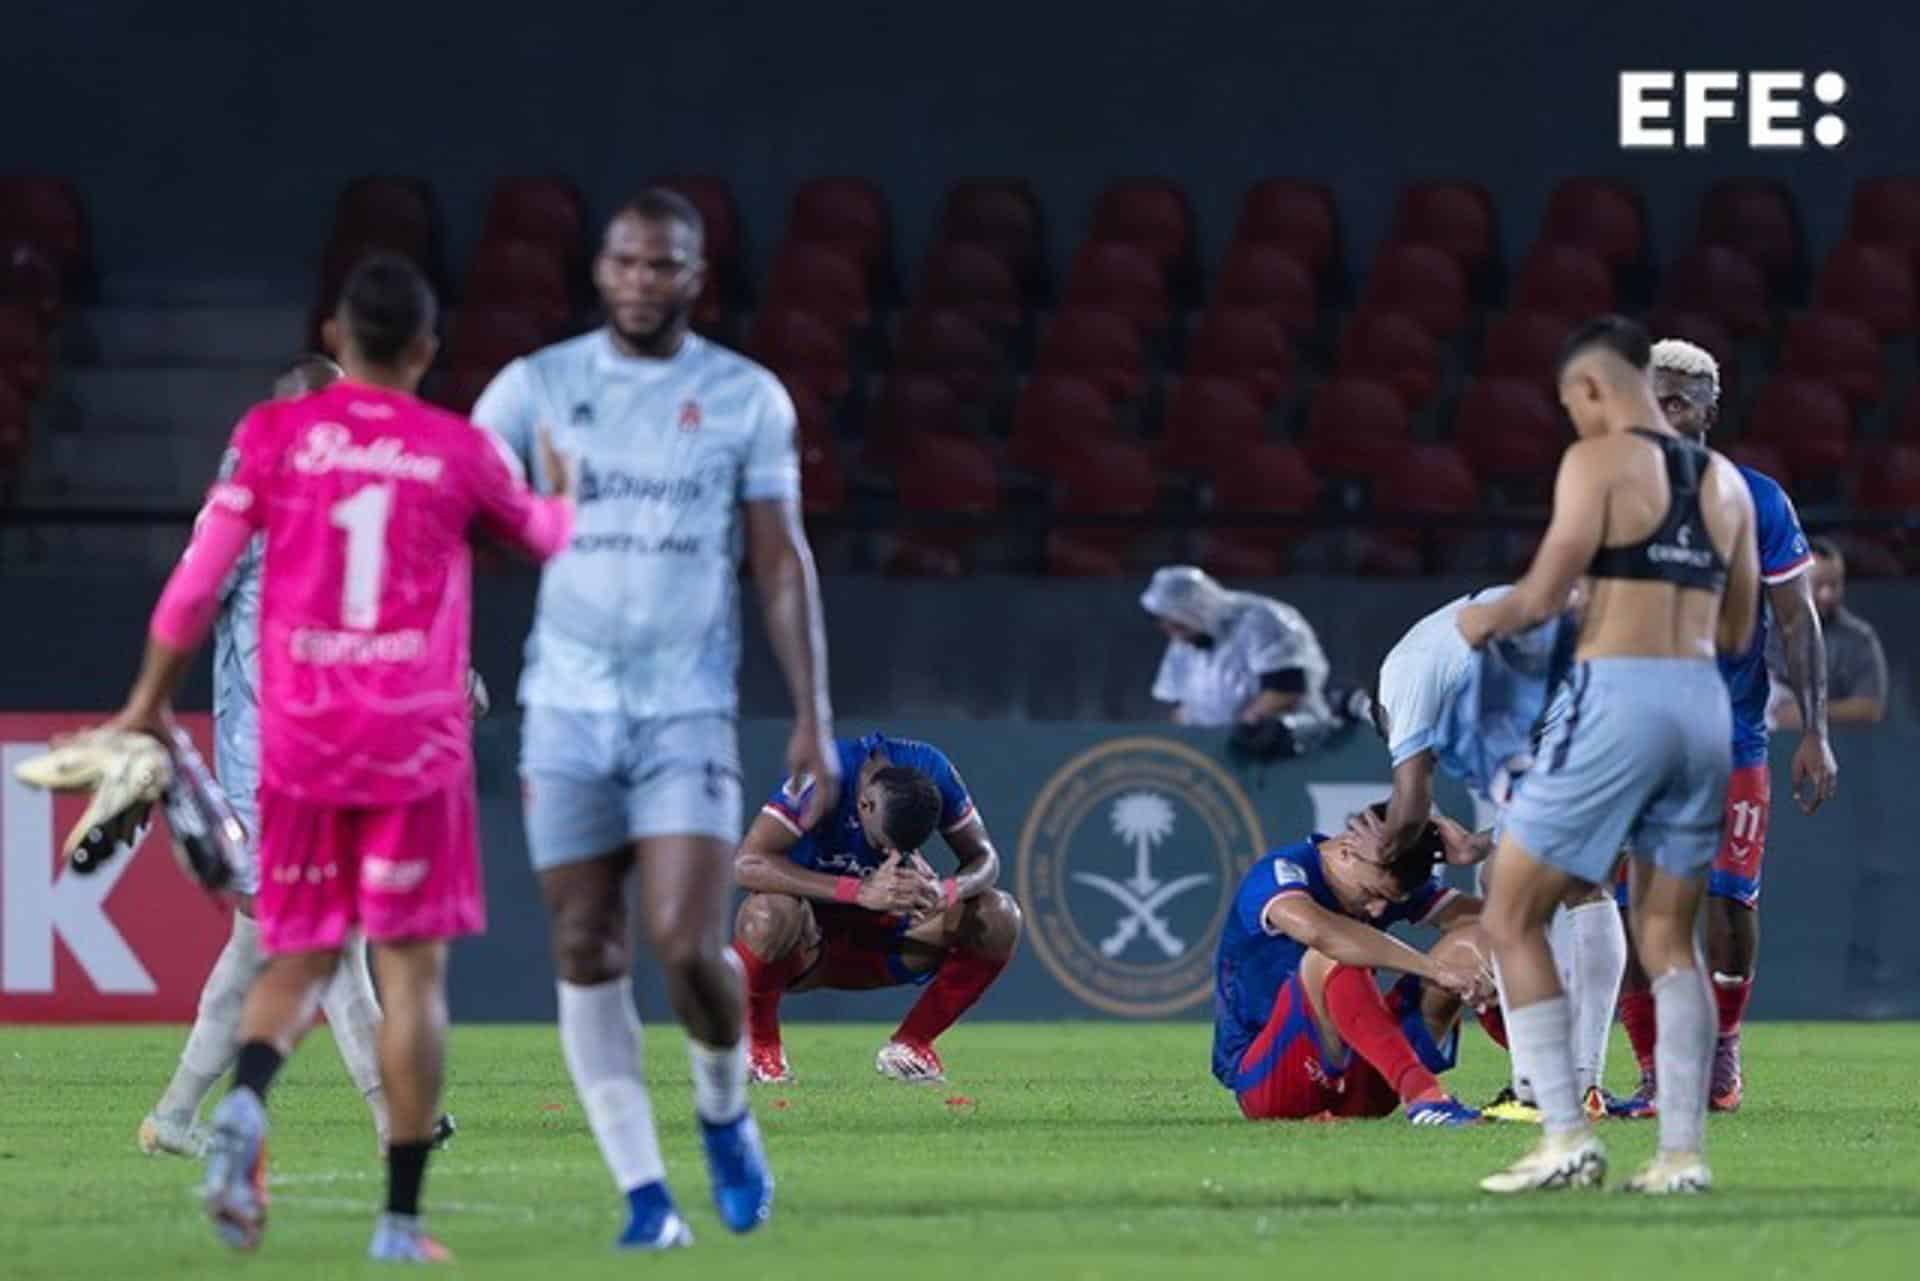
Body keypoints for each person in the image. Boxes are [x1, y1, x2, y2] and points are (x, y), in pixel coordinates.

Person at [101, 254, 575, 1260]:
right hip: (395, 750)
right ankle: (398, 1198)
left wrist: (143, 710)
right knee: (397, 967)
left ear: (334, 338)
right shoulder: (451, 449)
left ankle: (208, 1114)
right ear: (424, 351)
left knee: (292, 946)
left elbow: (189, 601)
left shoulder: (268, 452)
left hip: (297, 753)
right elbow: (539, 541)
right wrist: (565, 498)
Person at [470, 188, 839, 1250]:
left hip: (686, 712)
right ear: (600, 270)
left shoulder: (743, 396)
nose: (642, 281)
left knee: (683, 944)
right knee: (586, 943)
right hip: (566, 712)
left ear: (695, 275)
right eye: (626, 263)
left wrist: (812, 712)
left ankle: (724, 1113)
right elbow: (446, 513)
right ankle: (644, 1194)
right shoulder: (536, 387)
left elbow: (778, 560)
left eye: (663, 265)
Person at [1460, 315, 1758, 1195]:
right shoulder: (1730, 484)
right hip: (1704, 707)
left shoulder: (1596, 460)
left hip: (1619, 697)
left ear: (1595, 387)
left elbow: (1544, 594)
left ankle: (1564, 1134)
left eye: (1572, 403)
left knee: (1508, 907)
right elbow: (1740, 628)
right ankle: (1681, 1156)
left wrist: (1481, 619)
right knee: (1670, 934)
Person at [137, 354, 453, 1162]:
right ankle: (389, 1118)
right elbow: (193, 597)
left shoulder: (352, 509)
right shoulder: (251, 499)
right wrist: (153, 713)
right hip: (269, 768)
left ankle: (177, 1114)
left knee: (284, 943)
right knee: (316, 938)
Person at [1606, 338, 1837, 1119]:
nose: (1662, 415)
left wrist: (1816, 730)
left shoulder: (1756, 500)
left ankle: (1724, 1050)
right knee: (1634, 903)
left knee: (1726, 899)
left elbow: (1797, 620)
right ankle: (1653, 1073)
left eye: (1678, 401)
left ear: (1710, 409)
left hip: (1729, 733)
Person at [1372, 584, 1627, 1123]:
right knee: (1534, 879)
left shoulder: (1404, 677)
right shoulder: (1465, 680)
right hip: (1616, 672)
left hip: (1587, 675)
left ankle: (1554, 1088)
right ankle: (1571, 1085)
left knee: (1530, 891)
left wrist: (1380, 855)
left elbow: (1410, 803)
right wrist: (1476, 840)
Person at [731, 734, 1022, 1084]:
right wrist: (856, 890)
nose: (893, 858)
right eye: (883, 845)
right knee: (766, 915)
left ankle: (912, 1046)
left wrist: (946, 890)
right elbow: (747, 863)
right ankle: (761, 1051)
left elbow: (986, 859)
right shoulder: (824, 775)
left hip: (891, 940)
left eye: (907, 851)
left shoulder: (934, 771)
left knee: (1000, 914)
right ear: (864, 806)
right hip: (804, 943)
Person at [1211, 805, 1490, 1125]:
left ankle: (1533, 1089)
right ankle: (1424, 1096)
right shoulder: (1278, 873)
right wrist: (1437, 970)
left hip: (1370, 1082)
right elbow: (1322, 933)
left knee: (1479, 941)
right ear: (1345, 851)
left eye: (1389, 902)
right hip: (1274, 1080)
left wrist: (1485, 847)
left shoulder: (1380, 878)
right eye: (1372, 894)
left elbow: (1506, 919)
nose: (1376, 910)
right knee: (1333, 953)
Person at [1140, 566, 1363, 760]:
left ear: (1194, 610)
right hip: (1217, 759)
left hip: (1283, 751)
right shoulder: (1185, 644)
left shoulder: (1259, 620)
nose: (1174, 634)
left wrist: (1233, 735)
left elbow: (1285, 688)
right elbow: (1179, 709)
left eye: (1178, 625)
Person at [1770, 538, 1886, 727]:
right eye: (1818, 585)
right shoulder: (1762, 630)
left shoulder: (1859, 638)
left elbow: (1871, 708)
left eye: (1835, 585)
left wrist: (1811, 715)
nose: (1827, 595)